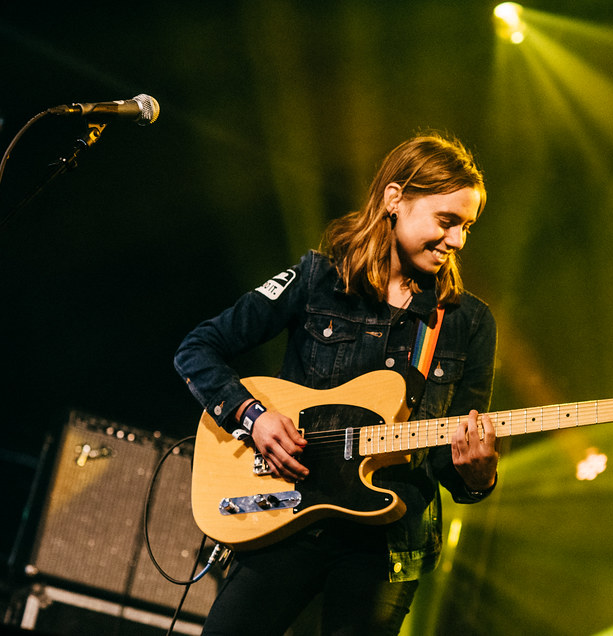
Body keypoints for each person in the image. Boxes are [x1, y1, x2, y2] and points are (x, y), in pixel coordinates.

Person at [174, 132, 499, 635]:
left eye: (467, 227)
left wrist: (477, 476)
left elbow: (452, 465)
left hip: (388, 545)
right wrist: (252, 417)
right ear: (394, 199)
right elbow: (197, 349)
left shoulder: (468, 322)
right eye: (446, 220)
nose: (457, 240)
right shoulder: (317, 278)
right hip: (286, 515)